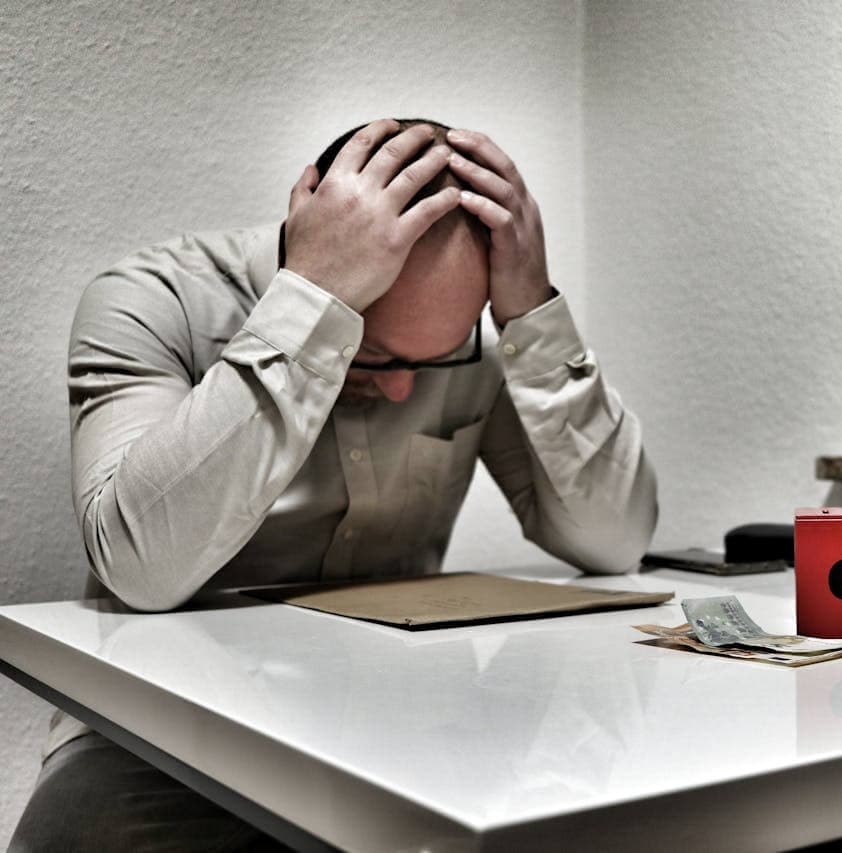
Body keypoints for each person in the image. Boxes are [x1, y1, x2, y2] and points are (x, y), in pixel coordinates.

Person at [11, 118, 658, 851]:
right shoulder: (157, 302)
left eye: (436, 359)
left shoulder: (471, 346)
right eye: (370, 350)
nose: (403, 387)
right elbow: (138, 567)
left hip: (402, 733)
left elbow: (616, 539)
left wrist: (532, 314)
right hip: (153, 742)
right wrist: (311, 307)